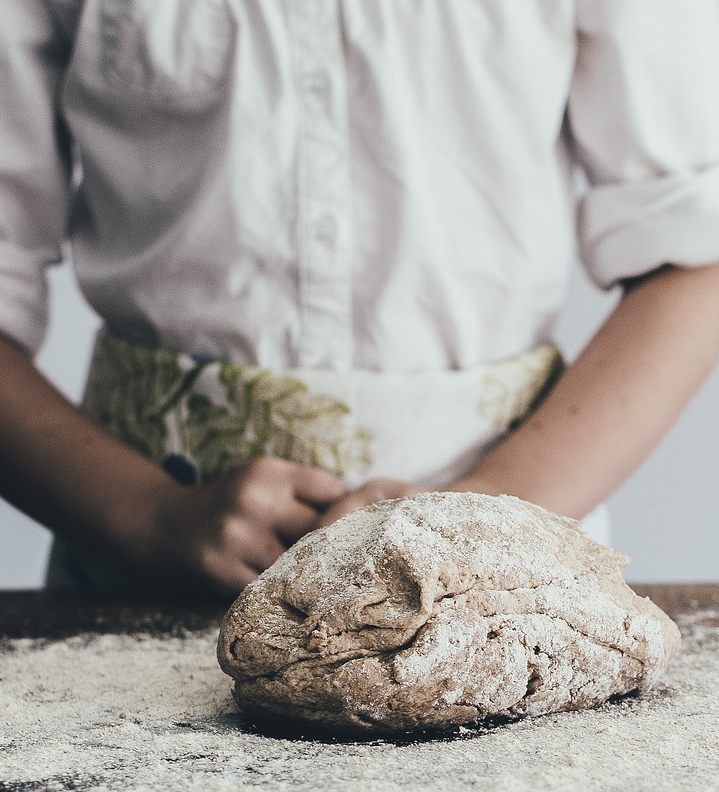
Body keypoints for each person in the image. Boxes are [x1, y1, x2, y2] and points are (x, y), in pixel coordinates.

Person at [1, 1, 719, 596]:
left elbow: (696, 256)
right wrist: (146, 513)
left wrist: (484, 518)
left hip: (509, 572)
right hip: (137, 569)